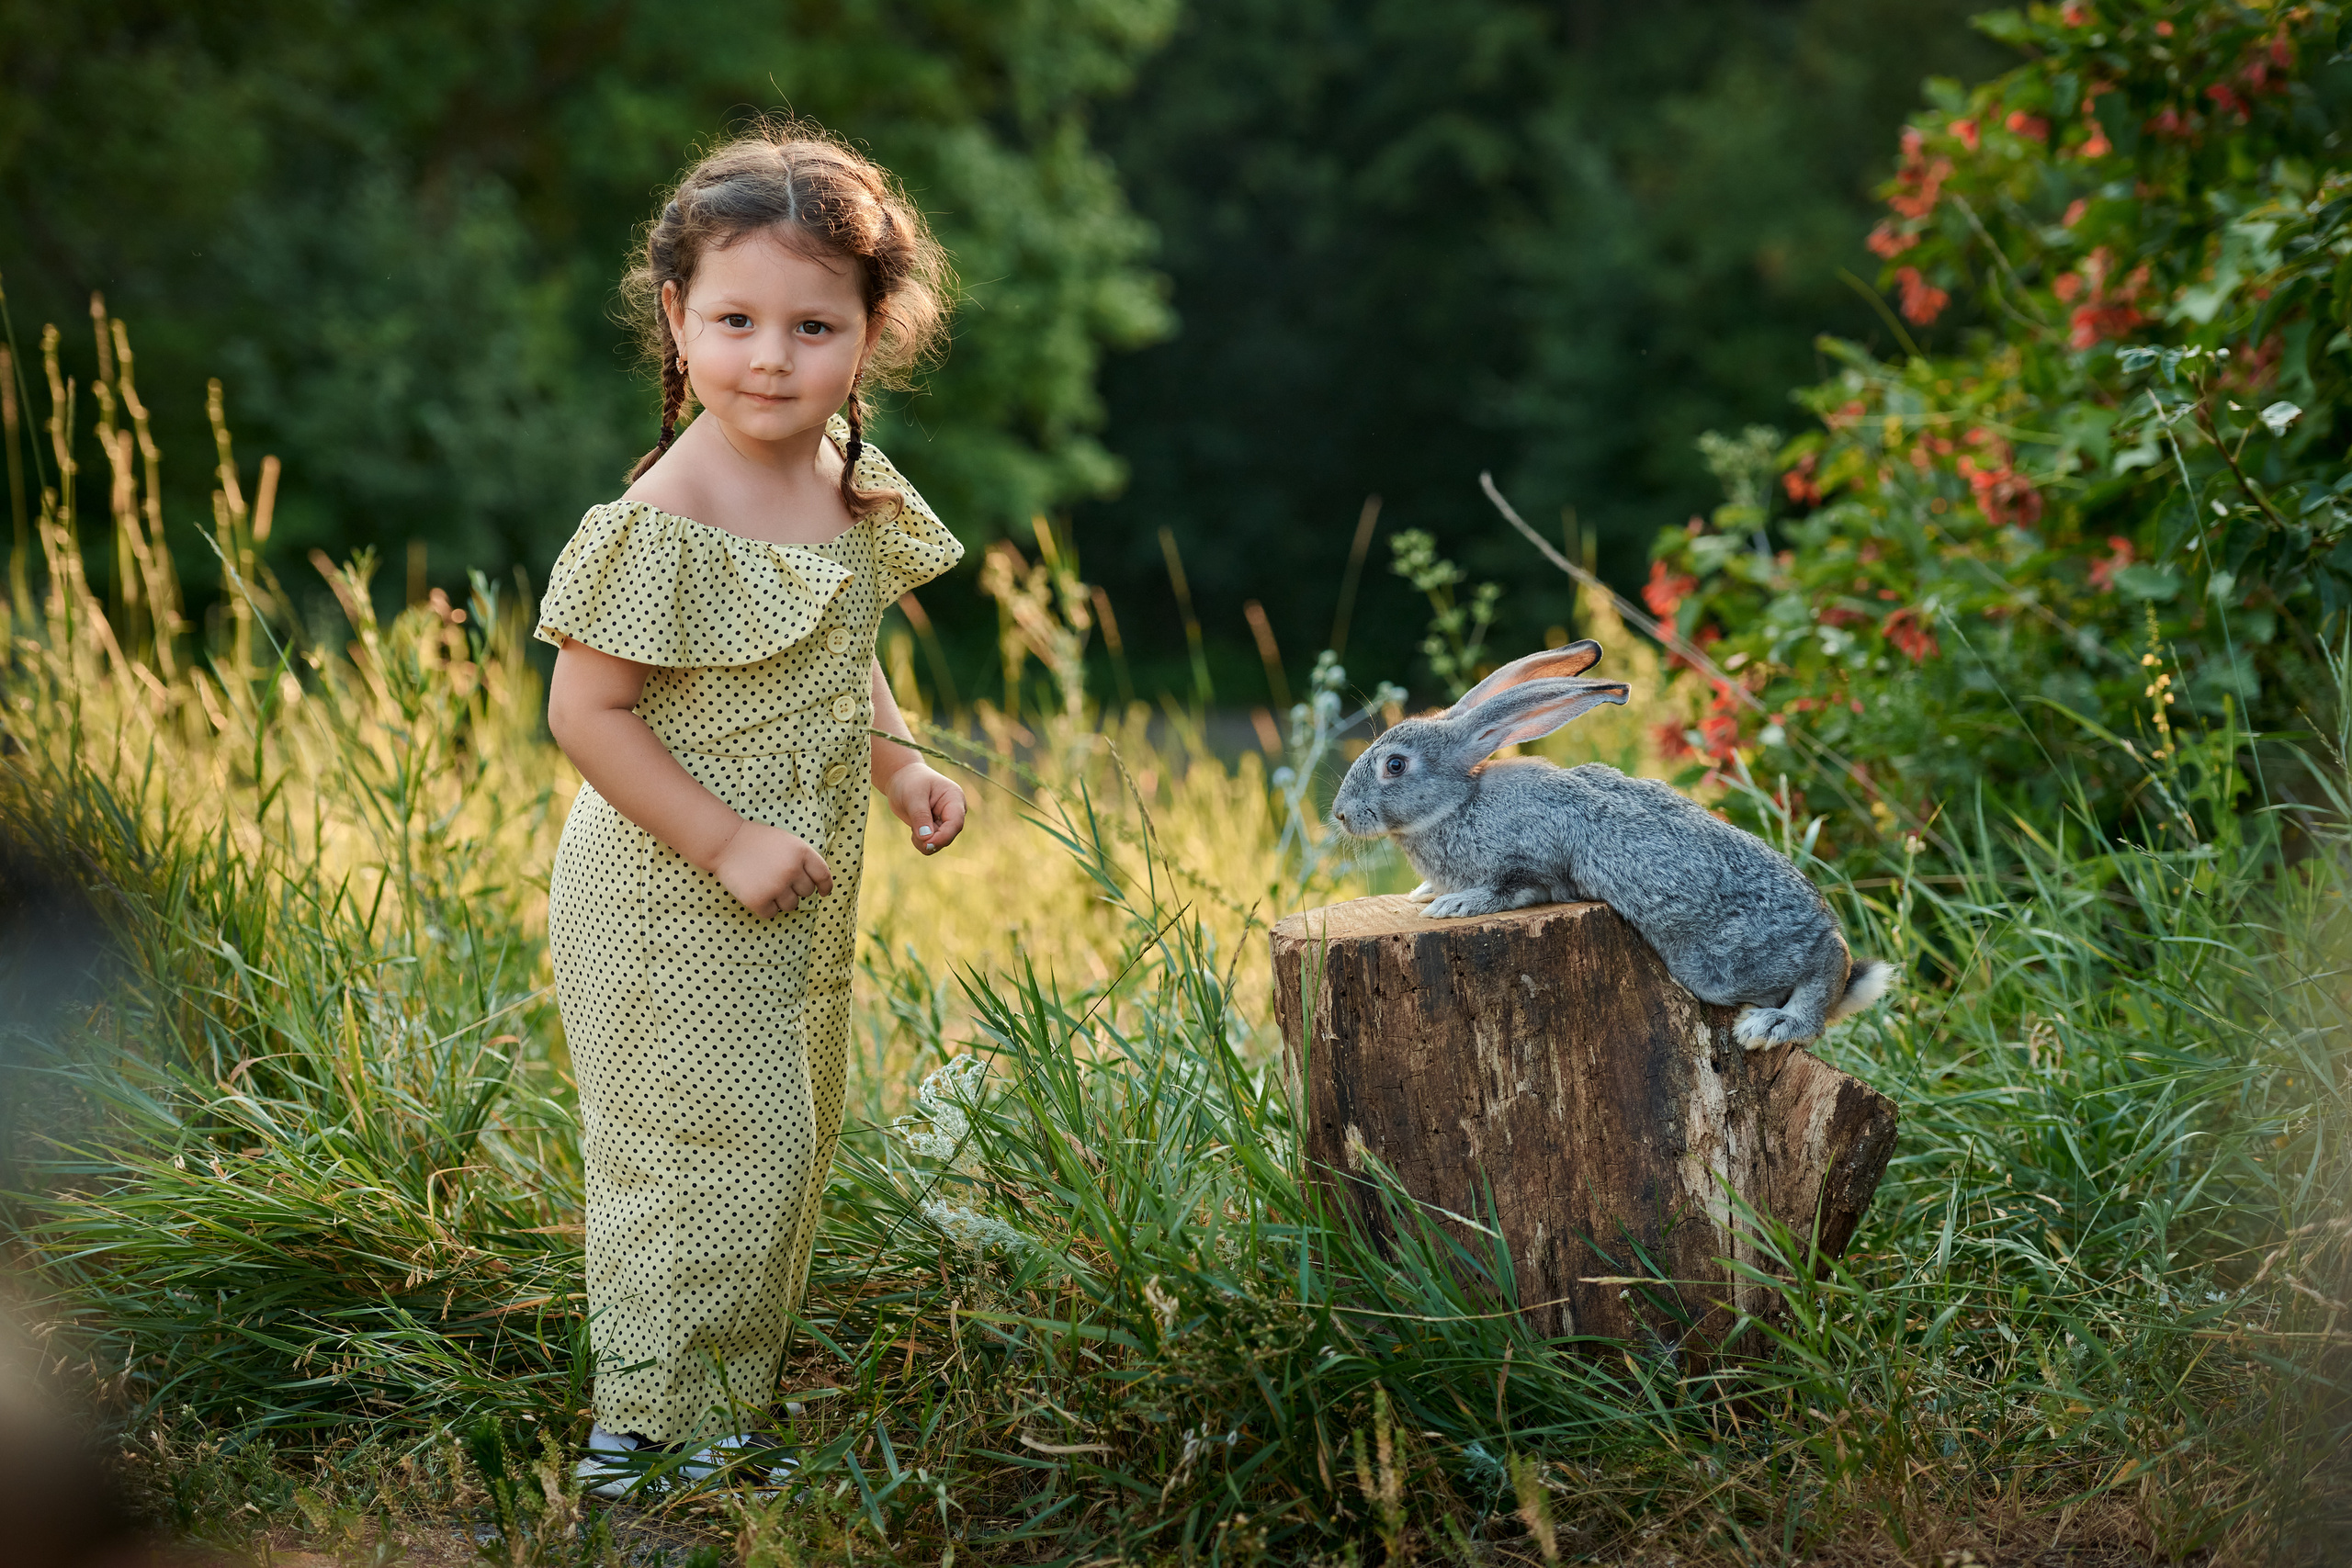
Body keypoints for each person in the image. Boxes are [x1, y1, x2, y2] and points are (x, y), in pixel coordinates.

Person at [536, 121, 967, 1494]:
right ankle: (635, 1438)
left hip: (791, 889)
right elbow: (585, 714)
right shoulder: (668, 514)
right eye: (734, 321)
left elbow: (840, 648)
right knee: (692, 1156)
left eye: (812, 327)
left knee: (780, 1152)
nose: (770, 359)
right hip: (667, 894)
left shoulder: (840, 474)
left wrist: (900, 764)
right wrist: (722, 839)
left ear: (871, 336)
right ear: (677, 318)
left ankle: (718, 1418)